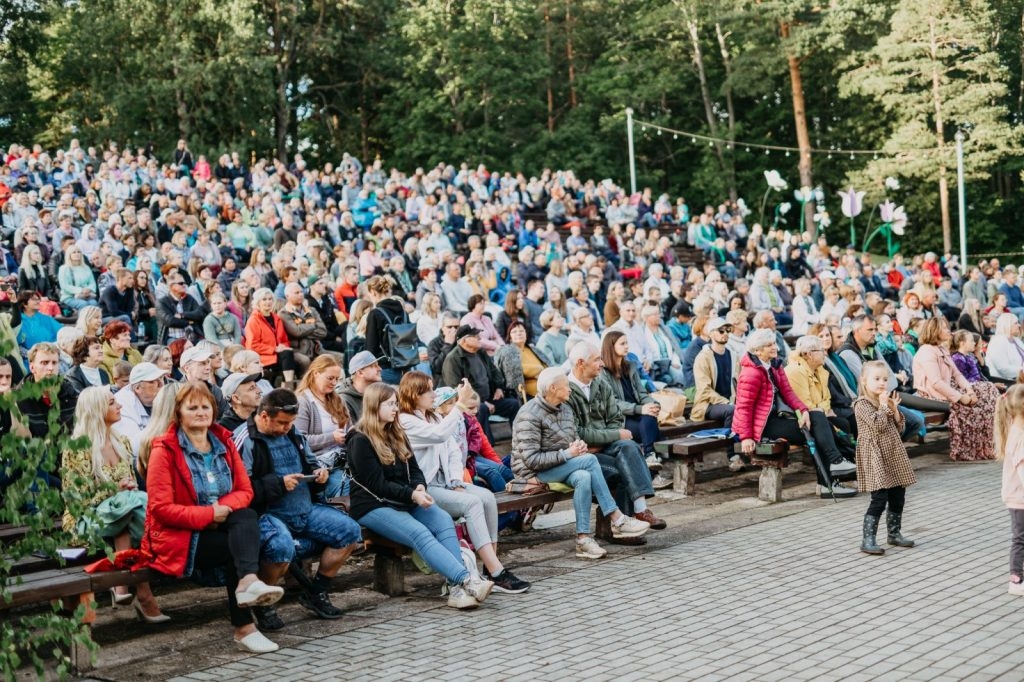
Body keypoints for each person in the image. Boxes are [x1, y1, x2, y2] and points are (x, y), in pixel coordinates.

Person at [142, 382, 285, 653]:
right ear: (179, 413)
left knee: (246, 515)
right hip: (180, 537)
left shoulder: (224, 442)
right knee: (238, 547)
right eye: (192, 407)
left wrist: (222, 510)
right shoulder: (164, 450)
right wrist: (209, 514)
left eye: (205, 406)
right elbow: (160, 509)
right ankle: (244, 626)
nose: (200, 412)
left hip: (222, 524)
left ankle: (247, 584)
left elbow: (244, 490)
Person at [346, 382, 494, 609]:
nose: (395, 408)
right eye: (390, 404)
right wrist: (412, 495)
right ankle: (466, 580)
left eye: (396, 403)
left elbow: (414, 469)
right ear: (375, 406)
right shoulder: (359, 439)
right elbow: (377, 485)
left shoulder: (396, 432)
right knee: (420, 533)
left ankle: (455, 590)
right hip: (373, 504)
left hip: (405, 498)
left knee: (443, 519)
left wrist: (420, 487)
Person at [242, 388, 362, 630]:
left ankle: (316, 592)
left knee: (350, 531)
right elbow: (240, 488)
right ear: (264, 416)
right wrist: (278, 483)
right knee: (281, 547)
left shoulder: (293, 432)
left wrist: (319, 472)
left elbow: (310, 459)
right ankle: (262, 603)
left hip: (303, 507)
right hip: (267, 514)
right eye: (282, 423)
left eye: (291, 423)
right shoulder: (247, 439)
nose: (287, 428)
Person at [398, 373, 530, 593]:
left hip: (445, 481)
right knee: (472, 503)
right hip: (424, 487)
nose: (433, 394)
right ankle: (497, 572)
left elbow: (451, 449)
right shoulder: (406, 421)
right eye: (428, 391)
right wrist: (459, 403)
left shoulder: (431, 416)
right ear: (414, 394)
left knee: (487, 497)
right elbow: (439, 435)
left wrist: (455, 480)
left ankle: (490, 568)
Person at [511, 367, 651, 559]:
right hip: (532, 473)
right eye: (566, 386)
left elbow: (573, 439)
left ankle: (583, 540)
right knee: (590, 460)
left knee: (584, 476)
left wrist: (579, 446)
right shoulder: (529, 414)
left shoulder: (565, 409)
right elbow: (531, 460)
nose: (570, 389)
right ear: (552, 388)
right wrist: (569, 453)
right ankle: (617, 519)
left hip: (560, 466)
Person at [62, 386, 167, 620]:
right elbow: (75, 501)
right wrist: (113, 490)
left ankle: (127, 589)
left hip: (121, 515)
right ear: (96, 410)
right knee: (128, 505)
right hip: (86, 521)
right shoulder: (76, 448)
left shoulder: (123, 442)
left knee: (129, 505)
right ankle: (144, 594)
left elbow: (133, 489)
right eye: (112, 402)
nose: (119, 405)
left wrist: (128, 487)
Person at [734, 329, 857, 499]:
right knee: (818, 428)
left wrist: (804, 411)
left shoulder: (775, 366)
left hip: (777, 418)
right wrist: (746, 437)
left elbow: (789, 394)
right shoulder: (751, 373)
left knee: (818, 419)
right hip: (763, 426)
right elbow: (743, 407)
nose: (774, 347)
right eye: (769, 345)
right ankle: (829, 480)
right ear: (757, 351)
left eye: (774, 343)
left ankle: (831, 475)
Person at [565, 341, 669, 526]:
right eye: (597, 359)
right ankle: (621, 527)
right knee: (622, 468)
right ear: (581, 363)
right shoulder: (565, 391)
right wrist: (613, 435)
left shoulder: (600, 384)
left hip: (602, 447)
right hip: (580, 453)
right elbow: (577, 432)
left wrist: (605, 439)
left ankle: (640, 510)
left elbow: (616, 419)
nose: (602, 363)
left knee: (629, 446)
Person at [912, 317, 998, 461]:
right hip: (931, 395)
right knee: (977, 403)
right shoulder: (926, 352)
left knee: (988, 389)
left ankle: (986, 446)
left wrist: (969, 391)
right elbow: (936, 382)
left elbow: (957, 374)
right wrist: (960, 397)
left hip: (946, 390)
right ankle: (970, 449)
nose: (948, 330)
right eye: (944, 327)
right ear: (934, 331)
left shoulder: (941, 349)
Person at [855, 361, 917, 555]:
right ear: (864, 381)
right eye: (876, 379)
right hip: (875, 455)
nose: (882, 383)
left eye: (885, 379)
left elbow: (900, 427)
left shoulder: (885, 401)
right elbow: (878, 426)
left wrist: (895, 409)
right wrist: (883, 406)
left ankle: (894, 533)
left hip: (892, 452)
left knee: (898, 495)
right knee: (879, 498)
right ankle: (868, 539)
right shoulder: (861, 405)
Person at [440, 325, 521, 442]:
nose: (479, 338)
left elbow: (495, 372)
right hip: (469, 404)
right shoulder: (453, 359)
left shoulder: (481, 353)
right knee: (482, 409)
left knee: (513, 404)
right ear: (464, 340)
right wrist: (481, 402)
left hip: (490, 398)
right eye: (475, 336)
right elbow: (456, 389)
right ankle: (486, 446)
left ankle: (519, 440)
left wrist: (499, 387)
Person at [295, 356, 351, 499]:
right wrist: (332, 437)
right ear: (315, 374)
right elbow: (300, 441)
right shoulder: (303, 401)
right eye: (330, 378)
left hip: (343, 460)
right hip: (320, 466)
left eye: (337, 379)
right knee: (350, 484)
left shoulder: (338, 399)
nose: (334, 383)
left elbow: (349, 427)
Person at [600, 330, 661, 462]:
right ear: (611, 346)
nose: (627, 346)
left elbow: (642, 393)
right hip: (620, 419)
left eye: (627, 343)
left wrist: (652, 404)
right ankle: (650, 456)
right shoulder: (603, 372)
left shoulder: (630, 366)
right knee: (650, 426)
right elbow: (612, 403)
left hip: (639, 414)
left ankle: (650, 457)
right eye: (622, 344)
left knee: (649, 418)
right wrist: (640, 409)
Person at [996, 385, 1024, 595]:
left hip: (1017, 496)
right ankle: (1015, 580)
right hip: (1019, 497)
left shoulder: (1016, 429)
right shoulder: (1020, 436)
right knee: (1019, 538)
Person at [112, 362, 169, 456]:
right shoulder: (122, 404)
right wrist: (162, 417)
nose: (161, 384)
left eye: (162, 378)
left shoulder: (161, 397)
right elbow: (133, 449)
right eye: (153, 381)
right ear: (137, 388)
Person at [244, 287, 296, 388]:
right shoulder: (253, 320)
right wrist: (274, 349)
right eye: (264, 299)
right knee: (287, 355)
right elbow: (252, 345)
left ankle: (288, 386)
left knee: (288, 353)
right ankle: (288, 387)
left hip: (278, 355)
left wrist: (283, 347)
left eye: (270, 299)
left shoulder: (276, 318)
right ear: (258, 302)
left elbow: (284, 340)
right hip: (262, 356)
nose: (268, 302)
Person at [278, 281, 327, 376]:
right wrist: (314, 326)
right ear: (287, 296)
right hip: (297, 350)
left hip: (316, 348)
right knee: (305, 361)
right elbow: (297, 332)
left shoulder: (311, 310)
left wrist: (304, 328)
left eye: (301, 292)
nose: (300, 294)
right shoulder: (284, 313)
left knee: (338, 358)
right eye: (296, 293)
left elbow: (323, 332)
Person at [493, 321, 548, 401]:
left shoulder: (533, 349)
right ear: (510, 337)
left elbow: (547, 366)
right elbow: (517, 370)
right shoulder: (507, 351)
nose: (519, 333)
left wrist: (540, 373)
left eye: (522, 331)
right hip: (526, 392)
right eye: (514, 332)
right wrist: (539, 369)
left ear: (526, 334)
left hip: (546, 386)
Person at [156, 270, 206, 344]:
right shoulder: (162, 302)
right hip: (171, 339)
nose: (184, 285)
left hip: (192, 336)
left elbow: (200, 314)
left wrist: (182, 315)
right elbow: (170, 321)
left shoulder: (189, 298)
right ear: (171, 286)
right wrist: (190, 322)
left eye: (185, 283)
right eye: (181, 283)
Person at [339, 350, 383, 423]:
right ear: (360, 373)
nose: (380, 369)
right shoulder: (344, 401)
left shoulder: (378, 393)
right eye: (374, 366)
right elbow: (351, 433)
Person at [218, 371, 263, 436]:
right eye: (251, 388)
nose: (259, 391)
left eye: (256, 386)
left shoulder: (265, 415)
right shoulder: (224, 429)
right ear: (236, 398)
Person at [985, 313, 1024, 383]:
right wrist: (1022, 370)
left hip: (1020, 378)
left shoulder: (1017, 340)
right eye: (1016, 323)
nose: (1019, 325)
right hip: (1005, 381)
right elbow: (1003, 368)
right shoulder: (997, 341)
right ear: (1007, 325)